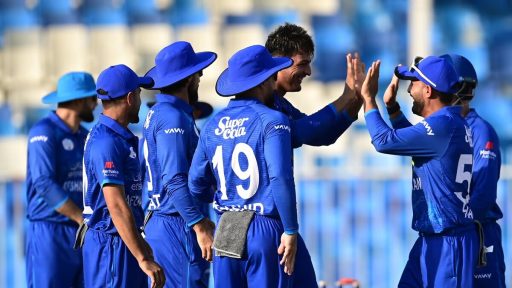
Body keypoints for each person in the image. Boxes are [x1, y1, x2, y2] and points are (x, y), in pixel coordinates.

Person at [359, 56, 478, 287]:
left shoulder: (442, 125)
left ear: (427, 90)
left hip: (448, 242)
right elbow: (417, 143)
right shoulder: (447, 123)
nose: (409, 89)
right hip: (432, 238)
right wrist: (392, 108)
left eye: (413, 83)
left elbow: (383, 141)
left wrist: (368, 99)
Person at [188, 45, 299, 287]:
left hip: (227, 225)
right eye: (271, 78)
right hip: (263, 224)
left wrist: (224, 198)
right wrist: (290, 230)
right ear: (261, 83)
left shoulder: (212, 124)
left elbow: (195, 183)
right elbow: (279, 177)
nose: (274, 84)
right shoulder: (273, 120)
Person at [140, 41, 216, 287]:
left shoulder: (160, 113)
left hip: (166, 220)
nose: (201, 76)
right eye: (197, 72)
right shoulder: (172, 117)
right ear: (188, 78)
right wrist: (198, 224)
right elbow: (174, 178)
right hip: (176, 222)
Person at [82, 64, 165, 288]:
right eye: (138, 94)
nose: (140, 100)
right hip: (111, 244)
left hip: (123, 239)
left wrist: (140, 245)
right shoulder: (106, 142)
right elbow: (116, 206)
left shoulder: (116, 137)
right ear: (130, 98)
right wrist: (143, 257)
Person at [25, 71, 98, 287]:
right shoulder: (44, 132)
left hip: (79, 232)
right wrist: (80, 218)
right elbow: (44, 184)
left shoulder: (86, 136)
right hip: (50, 232)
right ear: (78, 101)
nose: (96, 104)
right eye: (92, 98)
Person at [440, 53, 506, 287]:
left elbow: (484, 193)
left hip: (477, 237)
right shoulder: (442, 129)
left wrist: (458, 229)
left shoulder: (481, 132)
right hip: (454, 237)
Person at [265, 22, 364, 148]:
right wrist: (346, 96)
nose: (309, 72)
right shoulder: (262, 105)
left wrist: (358, 98)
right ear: (278, 62)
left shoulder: (282, 105)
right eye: (302, 64)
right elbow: (304, 131)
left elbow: (322, 136)